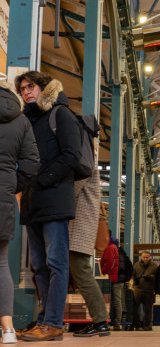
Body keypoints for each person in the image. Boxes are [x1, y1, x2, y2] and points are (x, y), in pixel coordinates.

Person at [16, 71, 82, 342]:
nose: (26, 92)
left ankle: (54, 323)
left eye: (31, 86)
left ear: (44, 87)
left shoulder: (61, 114)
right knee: (39, 266)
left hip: (54, 197)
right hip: (32, 202)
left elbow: (72, 155)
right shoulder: (28, 122)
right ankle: (44, 321)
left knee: (56, 263)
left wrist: (41, 181)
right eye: (22, 89)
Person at [0, 80, 40, 344]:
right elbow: (32, 163)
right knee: (1, 264)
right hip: (2, 197)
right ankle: (9, 330)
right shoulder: (22, 120)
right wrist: (9, 184)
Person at [69, 172, 111, 337]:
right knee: (82, 273)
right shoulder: (86, 159)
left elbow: (72, 189)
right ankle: (100, 320)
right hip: (81, 225)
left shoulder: (85, 160)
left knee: (82, 272)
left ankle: (100, 321)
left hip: (80, 226)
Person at [132, 251, 158, 331]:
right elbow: (132, 276)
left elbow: (158, 277)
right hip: (138, 289)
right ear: (141, 257)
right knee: (135, 308)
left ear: (150, 257)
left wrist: (150, 277)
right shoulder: (136, 265)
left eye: (147, 257)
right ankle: (137, 324)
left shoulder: (154, 266)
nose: (145, 259)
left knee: (148, 309)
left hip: (149, 290)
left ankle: (147, 325)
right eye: (144, 257)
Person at [100, 230, 121, 330]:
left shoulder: (109, 247)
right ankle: (115, 322)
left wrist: (103, 272)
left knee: (111, 302)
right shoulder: (113, 246)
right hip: (113, 278)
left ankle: (112, 322)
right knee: (114, 301)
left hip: (110, 278)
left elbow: (110, 262)